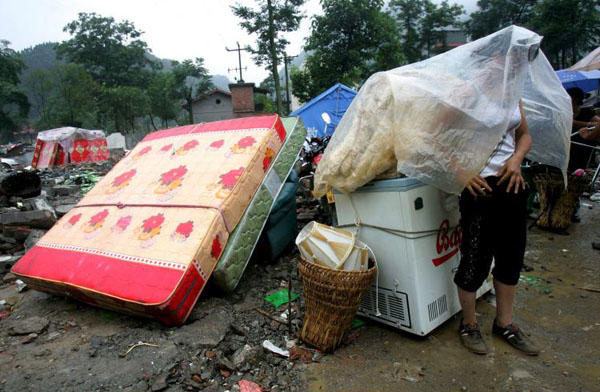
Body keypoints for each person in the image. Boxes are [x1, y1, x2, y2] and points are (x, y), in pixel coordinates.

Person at [454, 100, 540, 356]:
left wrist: (517, 158)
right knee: (475, 259)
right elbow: (435, 136)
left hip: (512, 185)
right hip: (478, 189)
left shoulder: (514, 94)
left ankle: (503, 323)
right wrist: (460, 172)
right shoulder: (464, 93)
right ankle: (469, 324)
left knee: (512, 257)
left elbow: (523, 135)